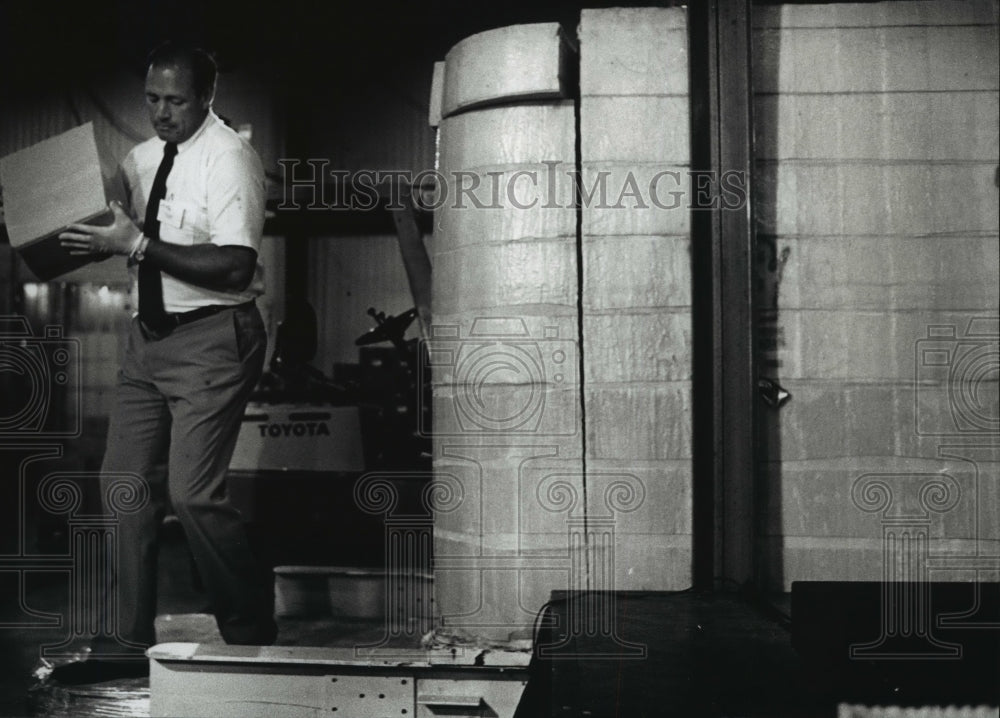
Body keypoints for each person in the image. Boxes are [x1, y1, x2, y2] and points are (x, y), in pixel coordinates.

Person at [54, 41, 275, 683]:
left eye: (176, 100)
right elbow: (109, 234)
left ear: (208, 97)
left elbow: (235, 264)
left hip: (214, 338)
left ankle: (250, 635)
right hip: (146, 340)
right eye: (152, 98)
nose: (161, 112)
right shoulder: (140, 159)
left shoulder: (231, 159)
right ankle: (128, 642)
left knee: (192, 493)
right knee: (121, 485)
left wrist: (142, 243)